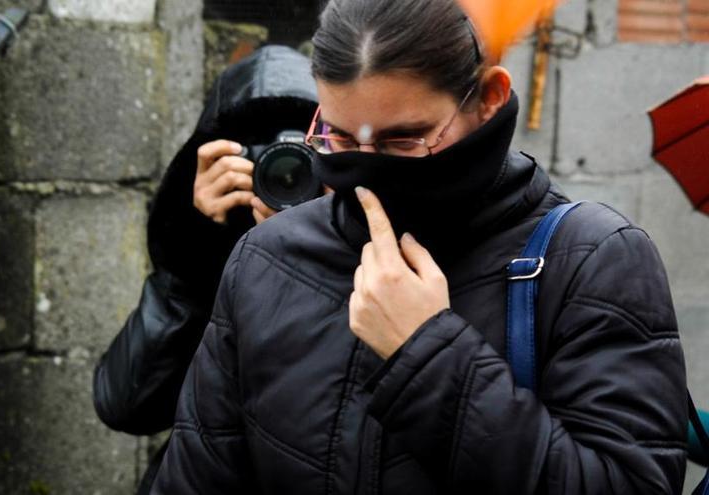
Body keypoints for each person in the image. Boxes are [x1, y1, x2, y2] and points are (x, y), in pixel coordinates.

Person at [151, 0, 689, 493]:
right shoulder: (265, 258)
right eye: (338, 137)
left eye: (403, 140)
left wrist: (428, 354)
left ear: (489, 100)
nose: (363, 163)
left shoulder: (594, 259)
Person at [91, 45, 318, 494]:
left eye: (302, 156)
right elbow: (123, 403)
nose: (283, 175)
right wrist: (195, 251)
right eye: (265, 157)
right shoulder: (209, 250)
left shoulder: (368, 253)